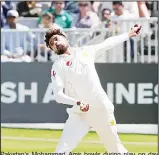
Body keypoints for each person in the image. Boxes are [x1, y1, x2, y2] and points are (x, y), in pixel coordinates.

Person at [44, 24, 142, 153]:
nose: (55, 43)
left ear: (65, 37)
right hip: (79, 114)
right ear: (53, 49)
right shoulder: (58, 65)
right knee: (61, 151)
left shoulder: (86, 51)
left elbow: (108, 43)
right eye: (52, 43)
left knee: (115, 150)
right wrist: (77, 102)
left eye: (56, 38)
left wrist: (128, 34)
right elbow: (58, 95)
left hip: (101, 109)